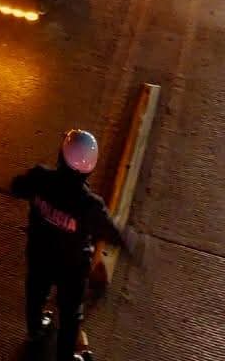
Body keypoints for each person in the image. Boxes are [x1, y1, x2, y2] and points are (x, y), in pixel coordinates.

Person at [11, 128, 137, 359]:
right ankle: (65, 356)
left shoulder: (40, 178)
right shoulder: (89, 205)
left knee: (35, 292)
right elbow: (111, 233)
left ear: (61, 155)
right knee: (70, 314)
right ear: (90, 169)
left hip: (40, 253)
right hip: (71, 268)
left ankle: (35, 330)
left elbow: (16, 187)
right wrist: (134, 246)